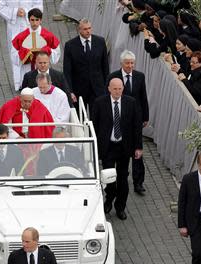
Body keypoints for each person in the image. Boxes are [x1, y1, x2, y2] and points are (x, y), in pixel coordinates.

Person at [91, 78, 142, 220]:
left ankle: (120, 207)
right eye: (115, 89)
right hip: (107, 147)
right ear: (109, 89)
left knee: (123, 179)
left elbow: (136, 126)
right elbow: (94, 125)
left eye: (120, 89)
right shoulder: (100, 103)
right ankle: (109, 198)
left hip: (124, 147)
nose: (117, 91)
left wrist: (138, 147)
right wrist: (94, 146)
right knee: (109, 177)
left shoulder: (130, 103)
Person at [107, 50, 149, 195]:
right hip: (120, 118)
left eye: (132, 63)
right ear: (121, 63)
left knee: (137, 151)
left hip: (135, 119)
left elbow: (143, 97)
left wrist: (145, 117)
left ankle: (138, 182)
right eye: (127, 63)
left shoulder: (139, 76)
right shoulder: (113, 78)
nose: (130, 65)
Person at [64, 19, 109, 111]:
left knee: (97, 119)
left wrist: (106, 87)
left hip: (97, 89)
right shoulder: (70, 45)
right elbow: (67, 70)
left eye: (89, 28)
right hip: (79, 90)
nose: (88, 31)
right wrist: (70, 91)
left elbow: (105, 66)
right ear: (79, 30)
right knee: (80, 118)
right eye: (85, 29)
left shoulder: (100, 41)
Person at [11, 8, 60, 91]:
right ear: (28, 20)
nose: (34, 23)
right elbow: (13, 54)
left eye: (37, 20)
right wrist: (24, 52)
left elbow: (57, 53)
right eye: (32, 20)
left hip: (43, 69)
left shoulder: (48, 36)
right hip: (27, 69)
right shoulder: (21, 37)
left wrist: (47, 50)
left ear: (41, 20)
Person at [0, 0, 43, 67]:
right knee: (15, 57)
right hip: (13, 27)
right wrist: (15, 12)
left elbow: (39, 6)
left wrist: (26, 12)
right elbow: (0, 6)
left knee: (32, 56)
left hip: (30, 26)